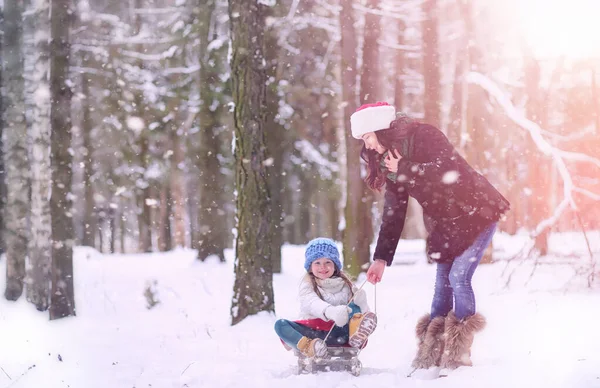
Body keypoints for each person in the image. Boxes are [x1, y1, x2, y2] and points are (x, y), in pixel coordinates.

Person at [350, 102, 510, 371]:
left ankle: (459, 353)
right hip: (445, 225)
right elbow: (393, 214)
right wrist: (380, 258)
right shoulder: (390, 162)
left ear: (379, 128)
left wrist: (408, 168)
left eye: (367, 137)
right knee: (442, 288)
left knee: (458, 277)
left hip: (476, 211)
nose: (367, 146)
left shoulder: (425, 135)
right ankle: (431, 354)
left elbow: (450, 171)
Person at [274, 238, 378, 358]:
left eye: (328, 262)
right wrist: (330, 311)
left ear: (335, 265)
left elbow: (361, 316)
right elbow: (312, 303)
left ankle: (356, 336)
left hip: (340, 333)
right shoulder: (307, 286)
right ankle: (309, 347)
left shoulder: (346, 285)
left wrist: (362, 303)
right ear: (310, 267)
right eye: (317, 263)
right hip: (313, 333)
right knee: (280, 325)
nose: (322, 267)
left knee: (354, 308)